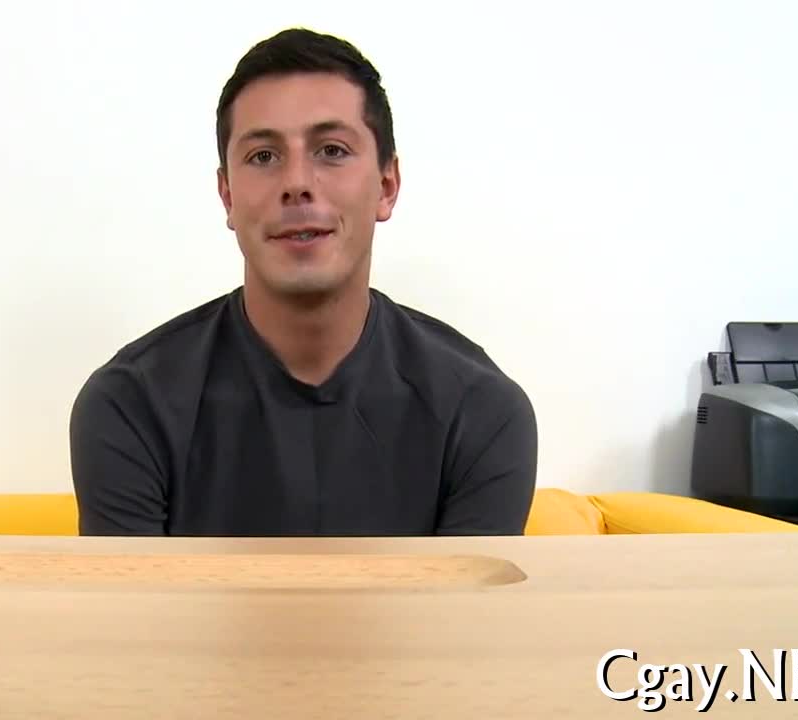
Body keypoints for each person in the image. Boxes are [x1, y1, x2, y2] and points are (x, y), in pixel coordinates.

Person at [68, 27, 537, 536]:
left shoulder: (482, 411)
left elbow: (464, 595)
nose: (296, 183)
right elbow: (137, 594)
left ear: (387, 186)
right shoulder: (130, 405)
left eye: (331, 150)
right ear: (228, 196)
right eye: (263, 156)